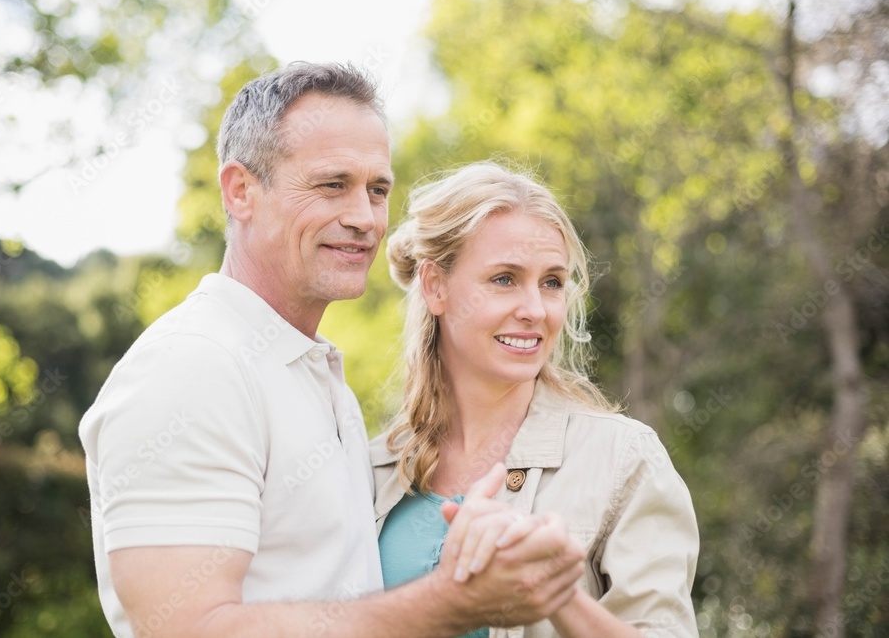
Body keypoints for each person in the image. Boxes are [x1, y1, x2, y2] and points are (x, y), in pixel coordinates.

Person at [79, 63, 585, 638]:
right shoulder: (192, 366)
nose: (364, 219)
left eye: (377, 190)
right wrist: (448, 603)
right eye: (331, 185)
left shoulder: (316, 376)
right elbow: (189, 630)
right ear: (241, 190)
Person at [372, 161, 700, 637]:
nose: (535, 310)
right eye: (504, 278)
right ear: (435, 285)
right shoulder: (370, 471)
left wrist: (554, 594)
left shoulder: (623, 459)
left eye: (552, 282)